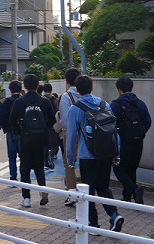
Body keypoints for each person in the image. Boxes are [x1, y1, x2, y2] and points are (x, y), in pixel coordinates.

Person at [65, 75, 124, 232]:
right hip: (106, 154)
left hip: (87, 155)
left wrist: (70, 158)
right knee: (103, 187)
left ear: (77, 90)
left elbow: (71, 136)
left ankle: (94, 224)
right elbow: (114, 132)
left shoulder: (75, 109)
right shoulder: (105, 105)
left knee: (88, 191)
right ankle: (114, 215)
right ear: (92, 88)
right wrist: (116, 154)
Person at [8, 73, 56, 208]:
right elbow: (52, 120)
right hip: (41, 139)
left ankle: (27, 198)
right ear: (37, 86)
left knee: (25, 168)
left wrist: (21, 132)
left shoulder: (20, 102)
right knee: (40, 167)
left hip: (25, 139)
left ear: (25, 86)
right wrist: (43, 130)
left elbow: (11, 121)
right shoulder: (44, 101)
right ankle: (43, 191)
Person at [110, 76, 151, 204]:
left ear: (119, 89)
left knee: (119, 169)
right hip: (138, 141)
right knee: (132, 169)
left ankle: (134, 189)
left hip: (123, 142)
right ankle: (128, 196)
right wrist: (140, 133)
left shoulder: (116, 104)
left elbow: (111, 123)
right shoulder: (140, 103)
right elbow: (148, 121)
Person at [54, 67, 81, 206]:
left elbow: (64, 120)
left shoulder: (66, 97)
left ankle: (72, 192)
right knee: (86, 162)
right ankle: (87, 192)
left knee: (69, 163)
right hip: (86, 135)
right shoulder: (86, 94)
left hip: (71, 134)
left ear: (67, 81)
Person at [0, 80, 23, 181]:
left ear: (10, 90)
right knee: (23, 156)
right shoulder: (23, 100)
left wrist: (6, 128)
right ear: (20, 89)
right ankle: (24, 177)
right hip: (22, 132)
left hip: (11, 132)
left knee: (12, 157)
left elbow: (2, 117)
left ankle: (13, 177)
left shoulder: (7, 101)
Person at [41, 82, 60, 169]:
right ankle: (51, 156)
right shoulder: (55, 100)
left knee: (45, 144)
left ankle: (45, 160)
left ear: (44, 90)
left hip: (43, 125)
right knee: (54, 143)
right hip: (53, 125)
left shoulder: (41, 99)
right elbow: (58, 112)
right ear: (51, 90)